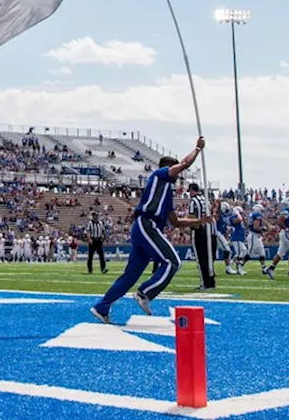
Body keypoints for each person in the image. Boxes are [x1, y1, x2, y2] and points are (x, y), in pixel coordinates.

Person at [90, 138, 210, 324]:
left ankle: (102, 306)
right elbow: (185, 163)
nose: (178, 175)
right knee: (172, 261)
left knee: (130, 276)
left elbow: (176, 222)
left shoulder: (166, 193)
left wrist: (199, 220)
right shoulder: (159, 175)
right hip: (147, 224)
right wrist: (197, 149)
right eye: (175, 169)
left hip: (144, 229)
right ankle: (145, 292)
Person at [187, 183, 216, 290]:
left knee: (201, 258)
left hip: (199, 231)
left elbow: (192, 217)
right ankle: (211, 281)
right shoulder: (206, 200)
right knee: (209, 258)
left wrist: (188, 227)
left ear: (191, 190)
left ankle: (205, 283)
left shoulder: (193, 201)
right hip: (210, 230)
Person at [267, 197, 289, 279]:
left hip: (288, 233)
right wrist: (287, 229)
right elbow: (280, 221)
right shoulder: (286, 210)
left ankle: (271, 268)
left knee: (280, 253)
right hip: (286, 233)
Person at [247, 204, 268, 274]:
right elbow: (256, 227)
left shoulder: (252, 215)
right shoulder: (256, 215)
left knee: (262, 253)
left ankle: (264, 267)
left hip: (256, 236)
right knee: (250, 253)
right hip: (254, 235)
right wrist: (263, 229)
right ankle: (240, 265)